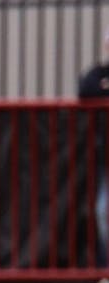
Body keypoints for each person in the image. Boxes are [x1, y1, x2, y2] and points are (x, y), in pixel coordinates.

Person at [79, 29, 109, 266]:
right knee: (102, 211)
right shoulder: (96, 74)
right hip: (104, 153)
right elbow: (87, 91)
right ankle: (105, 267)